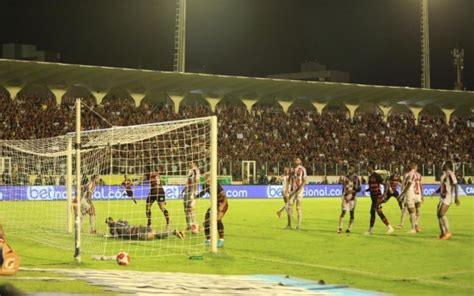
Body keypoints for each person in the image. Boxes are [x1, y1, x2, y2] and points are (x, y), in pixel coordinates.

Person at [197, 174, 228, 248]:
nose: (207, 181)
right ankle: (208, 240)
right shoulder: (205, 185)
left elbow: (224, 196)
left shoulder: (217, 185)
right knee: (206, 221)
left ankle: (221, 240)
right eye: (206, 180)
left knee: (217, 220)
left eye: (209, 180)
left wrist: (222, 206)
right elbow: (203, 193)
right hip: (214, 205)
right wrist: (195, 196)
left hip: (222, 204)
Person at [432, 161, 460, 240]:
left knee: (441, 214)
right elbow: (442, 186)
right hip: (442, 197)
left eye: (443, 164)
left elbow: (455, 184)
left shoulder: (451, 174)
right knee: (438, 215)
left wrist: (456, 197)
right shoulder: (444, 174)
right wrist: (436, 192)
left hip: (448, 197)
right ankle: (442, 233)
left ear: (447, 166)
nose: (442, 165)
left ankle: (447, 232)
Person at [365, 163, 394, 235]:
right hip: (373, 198)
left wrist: (384, 194)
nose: (366, 169)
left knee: (377, 212)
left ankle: (389, 227)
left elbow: (385, 184)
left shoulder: (376, 175)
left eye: (368, 167)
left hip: (378, 197)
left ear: (370, 168)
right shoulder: (370, 177)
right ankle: (371, 230)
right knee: (374, 212)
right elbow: (371, 186)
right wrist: (367, 190)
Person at [105, 217, 184, 240]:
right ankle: (174, 232)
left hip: (135, 234)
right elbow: (126, 222)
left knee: (155, 235)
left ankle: (173, 232)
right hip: (138, 227)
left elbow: (116, 237)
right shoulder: (119, 221)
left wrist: (108, 237)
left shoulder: (112, 228)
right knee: (156, 234)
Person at [398, 162, 421, 234]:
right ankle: (415, 226)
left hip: (410, 193)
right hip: (416, 193)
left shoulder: (410, 174)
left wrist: (401, 195)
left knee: (411, 211)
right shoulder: (417, 174)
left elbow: (408, 185)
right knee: (414, 211)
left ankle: (413, 228)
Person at [338, 165, 361, 234]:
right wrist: (343, 194)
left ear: (354, 170)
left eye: (351, 169)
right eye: (349, 169)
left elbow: (359, 189)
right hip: (345, 197)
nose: (350, 170)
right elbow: (343, 186)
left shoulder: (356, 178)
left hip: (353, 198)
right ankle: (340, 228)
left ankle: (349, 228)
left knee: (352, 213)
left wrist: (354, 192)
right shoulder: (345, 177)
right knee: (343, 212)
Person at [182, 161, 200, 231]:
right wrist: (184, 190)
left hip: (192, 191)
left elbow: (197, 180)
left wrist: (195, 191)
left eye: (191, 163)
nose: (189, 164)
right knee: (186, 209)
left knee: (191, 208)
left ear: (194, 164)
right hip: (187, 191)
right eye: (188, 163)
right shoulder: (189, 171)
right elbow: (188, 182)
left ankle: (194, 226)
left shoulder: (196, 170)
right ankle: (189, 226)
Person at [291, 157, 307, 230]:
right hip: (294, 190)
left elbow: (305, 180)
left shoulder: (302, 169)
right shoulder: (293, 169)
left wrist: (300, 189)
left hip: (299, 189)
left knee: (298, 207)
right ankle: (289, 224)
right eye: (295, 159)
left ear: (300, 161)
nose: (296, 160)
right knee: (289, 205)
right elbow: (292, 180)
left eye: (297, 159)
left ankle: (298, 225)